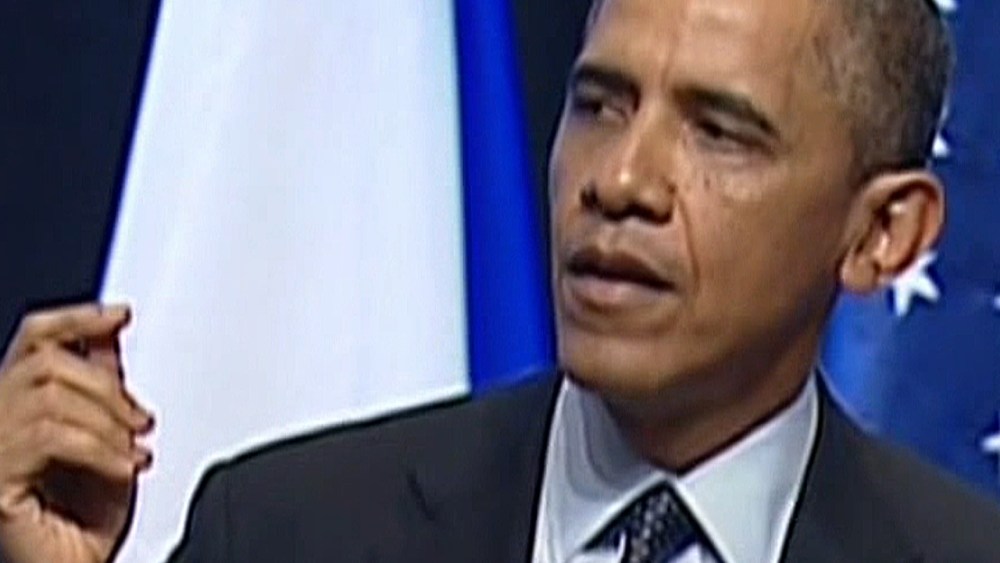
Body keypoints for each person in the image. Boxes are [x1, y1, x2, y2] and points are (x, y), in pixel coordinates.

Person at [1, 0, 999, 561]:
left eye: (718, 132)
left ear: (883, 233)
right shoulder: (283, 531)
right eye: (600, 104)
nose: (620, 181)